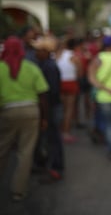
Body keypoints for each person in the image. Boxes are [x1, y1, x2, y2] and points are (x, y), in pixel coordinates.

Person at [0, 36, 49, 201]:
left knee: (3, 149)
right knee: (25, 152)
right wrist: (44, 118)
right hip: (31, 111)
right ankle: (18, 191)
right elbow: (42, 94)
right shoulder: (31, 67)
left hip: (7, 112)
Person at [31, 35, 65, 183]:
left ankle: (55, 168)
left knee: (53, 139)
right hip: (50, 107)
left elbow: (52, 92)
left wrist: (45, 112)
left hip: (51, 107)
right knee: (50, 139)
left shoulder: (49, 66)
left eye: (38, 50)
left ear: (45, 51)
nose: (36, 53)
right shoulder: (46, 64)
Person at [56, 37, 82, 143]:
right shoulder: (75, 57)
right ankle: (66, 133)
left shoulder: (57, 56)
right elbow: (80, 73)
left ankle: (58, 131)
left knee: (60, 109)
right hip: (71, 83)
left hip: (59, 83)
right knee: (68, 110)